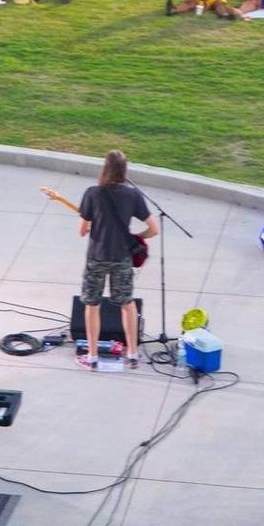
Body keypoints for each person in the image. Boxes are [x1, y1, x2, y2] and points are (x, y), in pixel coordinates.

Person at [75, 151, 158, 370]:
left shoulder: (92, 194)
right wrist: (137, 237)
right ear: (124, 170)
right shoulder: (133, 195)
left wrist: (95, 226)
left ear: (105, 168)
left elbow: (82, 231)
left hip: (97, 256)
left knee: (92, 305)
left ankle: (92, 356)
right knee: (126, 304)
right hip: (122, 257)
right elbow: (154, 228)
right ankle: (131, 354)